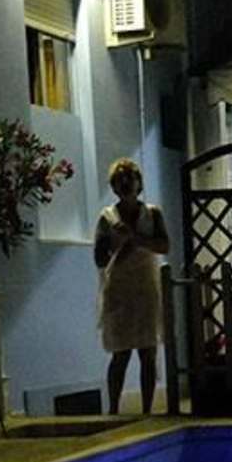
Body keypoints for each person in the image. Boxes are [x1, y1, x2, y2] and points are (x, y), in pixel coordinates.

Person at [93, 158, 170, 415]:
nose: (126, 184)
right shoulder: (107, 218)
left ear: (139, 183)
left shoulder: (153, 213)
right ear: (114, 186)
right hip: (119, 290)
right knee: (121, 352)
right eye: (120, 180)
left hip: (146, 288)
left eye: (130, 179)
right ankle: (113, 409)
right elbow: (99, 259)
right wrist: (115, 243)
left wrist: (135, 238)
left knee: (148, 351)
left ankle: (147, 410)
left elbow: (164, 245)